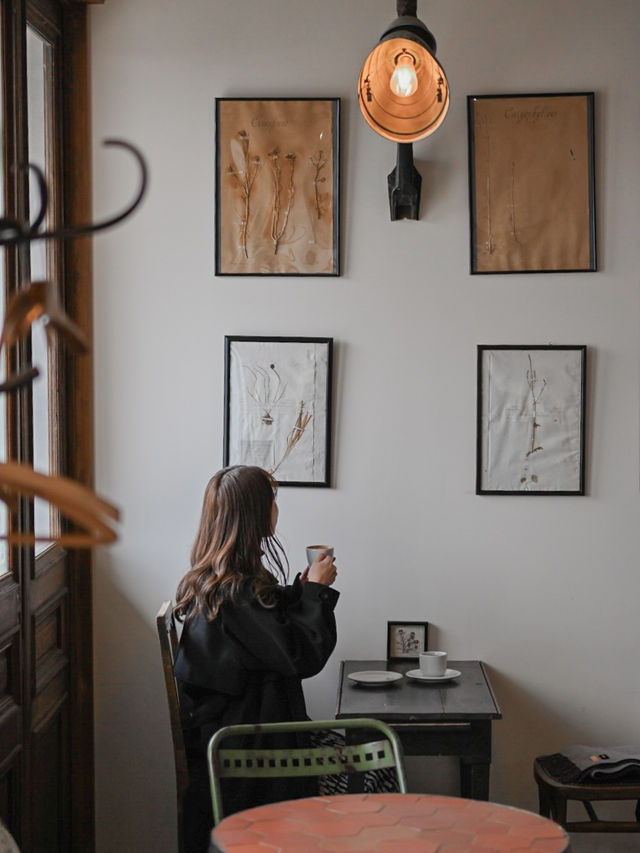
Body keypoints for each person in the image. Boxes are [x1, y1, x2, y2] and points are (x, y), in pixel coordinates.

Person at [173, 465, 338, 853]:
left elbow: (268, 623)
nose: (276, 509)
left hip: (234, 735)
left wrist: (300, 591)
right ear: (254, 513)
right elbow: (299, 656)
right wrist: (314, 593)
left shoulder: (220, 581)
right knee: (379, 757)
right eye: (272, 501)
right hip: (251, 750)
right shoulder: (235, 592)